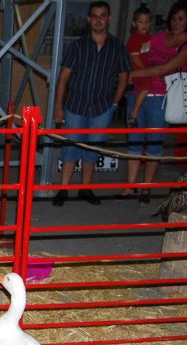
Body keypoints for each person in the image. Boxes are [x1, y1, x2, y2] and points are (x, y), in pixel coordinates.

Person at [52, 1, 129, 207]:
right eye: (94, 15)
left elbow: (124, 77)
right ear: (88, 20)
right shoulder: (77, 46)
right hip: (75, 106)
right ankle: (63, 190)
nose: (98, 19)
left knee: (93, 149)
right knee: (70, 147)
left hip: (102, 108)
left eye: (102, 15)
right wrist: (59, 107)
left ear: (109, 19)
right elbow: (63, 78)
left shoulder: (118, 47)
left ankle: (85, 188)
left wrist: (114, 105)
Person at [125, 0, 187, 204]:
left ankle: (146, 188)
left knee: (154, 144)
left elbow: (164, 69)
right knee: (134, 141)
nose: (176, 22)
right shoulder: (158, 37)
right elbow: (137, 52)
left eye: (181, 19)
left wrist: (134, 74)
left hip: (162, 98)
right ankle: (130, 186)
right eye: (174, 18)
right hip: (139, 93)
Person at [125, 7, 153, 129]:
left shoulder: (151, 38)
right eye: (141, 22)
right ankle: (134, 113)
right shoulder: (135, 38)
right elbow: (135, 58)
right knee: (147, 85)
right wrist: (147, 70)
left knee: (148, 84)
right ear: (134, 24)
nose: (144, 25)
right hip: (137, 70)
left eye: (147, 22)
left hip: (146, 70)